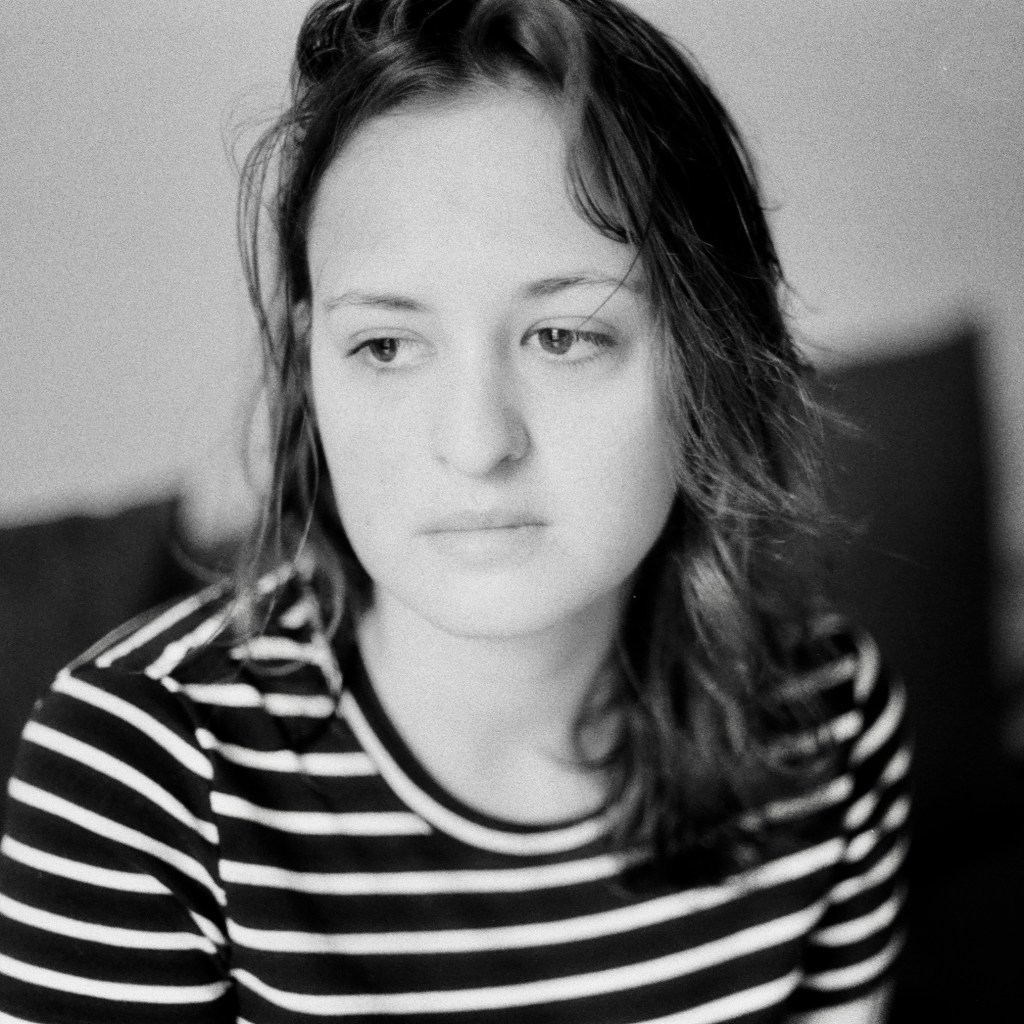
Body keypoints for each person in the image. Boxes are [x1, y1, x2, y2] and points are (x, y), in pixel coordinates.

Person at [0, 1, 910, 1021]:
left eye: (564, 335)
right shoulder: (137, 778)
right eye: (386, 346)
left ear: (710, 357)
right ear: (311, 367)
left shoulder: (828, 722)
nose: (477, 443)